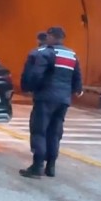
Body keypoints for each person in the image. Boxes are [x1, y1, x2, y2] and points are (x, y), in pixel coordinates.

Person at [18, 25, 83, 179]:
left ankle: (37, 166)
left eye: (48, 36)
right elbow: (77, 76)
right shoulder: (72, 55)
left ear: (51, 37)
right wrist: (76, 90)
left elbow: (36, 74)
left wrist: (29, 88)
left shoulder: (45, 53)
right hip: (63, 100)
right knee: (55, 132)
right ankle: (51, 167)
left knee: (39, 130)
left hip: (46, 98)